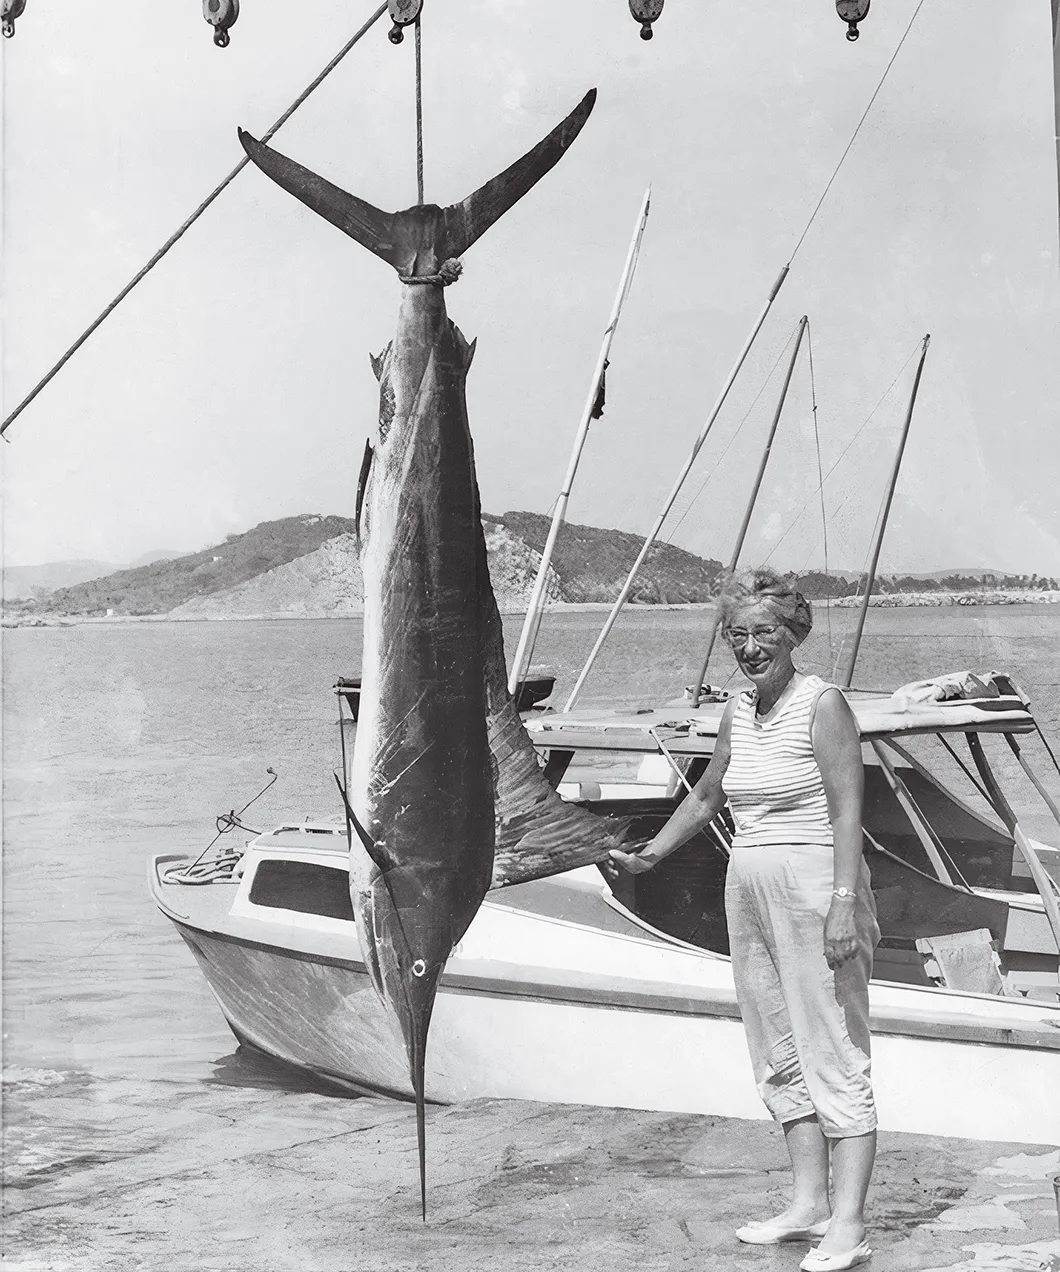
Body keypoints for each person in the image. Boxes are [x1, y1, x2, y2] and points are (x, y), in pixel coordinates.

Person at [610, 568, 879, 1272]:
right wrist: (652, 854)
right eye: (738, 635)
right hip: (749, 881)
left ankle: (849, 1223)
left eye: (764, 632)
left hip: (818, 881)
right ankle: (807, 1204)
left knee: (833, 1048)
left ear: (794, 633)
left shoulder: (823, 705)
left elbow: (850, 811)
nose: (752, 647)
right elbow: (706, 796)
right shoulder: (737, 707)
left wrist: (844, 906)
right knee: (774, 1045)